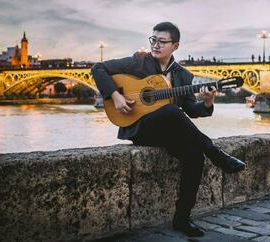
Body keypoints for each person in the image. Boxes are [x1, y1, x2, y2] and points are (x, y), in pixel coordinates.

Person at [90, 22, 246, 237]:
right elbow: (97, 69)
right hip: (139, 127)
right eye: (153, 40)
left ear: (175, 46)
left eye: (162, 41)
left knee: (194, 156)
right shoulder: (139, 62)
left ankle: (182, 219)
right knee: (172, 111)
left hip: (168, 131)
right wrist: (115, 95)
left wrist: (208, 103)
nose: (155, 45)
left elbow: (191, 110)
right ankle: (217, 154)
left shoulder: (184, 76)